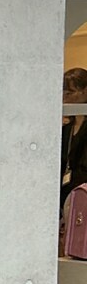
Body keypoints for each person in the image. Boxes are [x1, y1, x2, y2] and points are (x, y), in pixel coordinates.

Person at [61, 67, 87, 210]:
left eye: (70, 93)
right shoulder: (66, 126)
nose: (65, 98)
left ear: (85, 91)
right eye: (63, 93)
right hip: (67, 196)